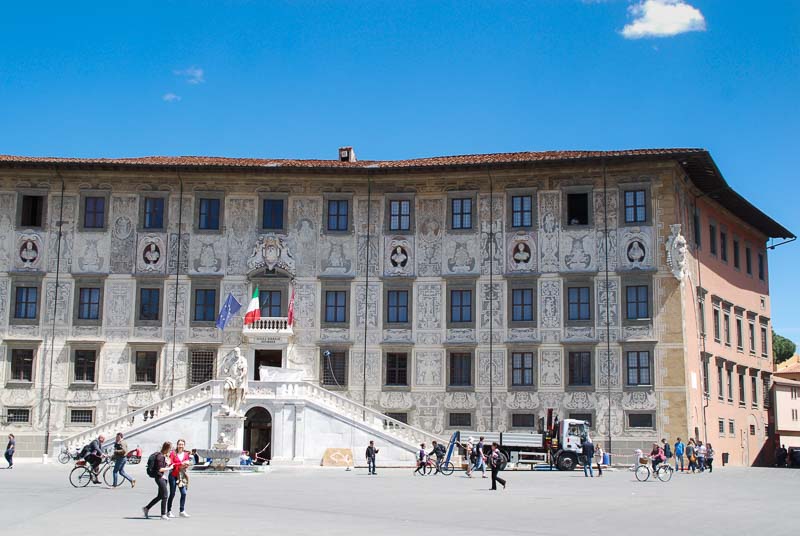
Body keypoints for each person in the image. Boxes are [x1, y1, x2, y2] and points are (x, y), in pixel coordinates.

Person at [143, 442, 173, 520]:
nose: (170, 450)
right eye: (170, 448)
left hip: (164, 478)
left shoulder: (164, 456)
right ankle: (163, 514)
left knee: (160, 496)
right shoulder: (160, 456)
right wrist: (170, 468)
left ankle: (146, 508)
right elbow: (160, 469)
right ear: (167, 448)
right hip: (160, 478)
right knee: (165, 495)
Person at [168, 439, 191, 518]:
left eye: (182, 444)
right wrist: (181, 463)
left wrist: (186, 464)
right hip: (173, 475)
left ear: (184, 445)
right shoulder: (173, 453)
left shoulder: (186, 454)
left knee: (184, 493)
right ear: (177, 445)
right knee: (172, 493)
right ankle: (169, 511)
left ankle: (182, 510)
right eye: (179, 444)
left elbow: (186, 464)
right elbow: (171, 464)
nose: (181, 446)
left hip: (181, 476)